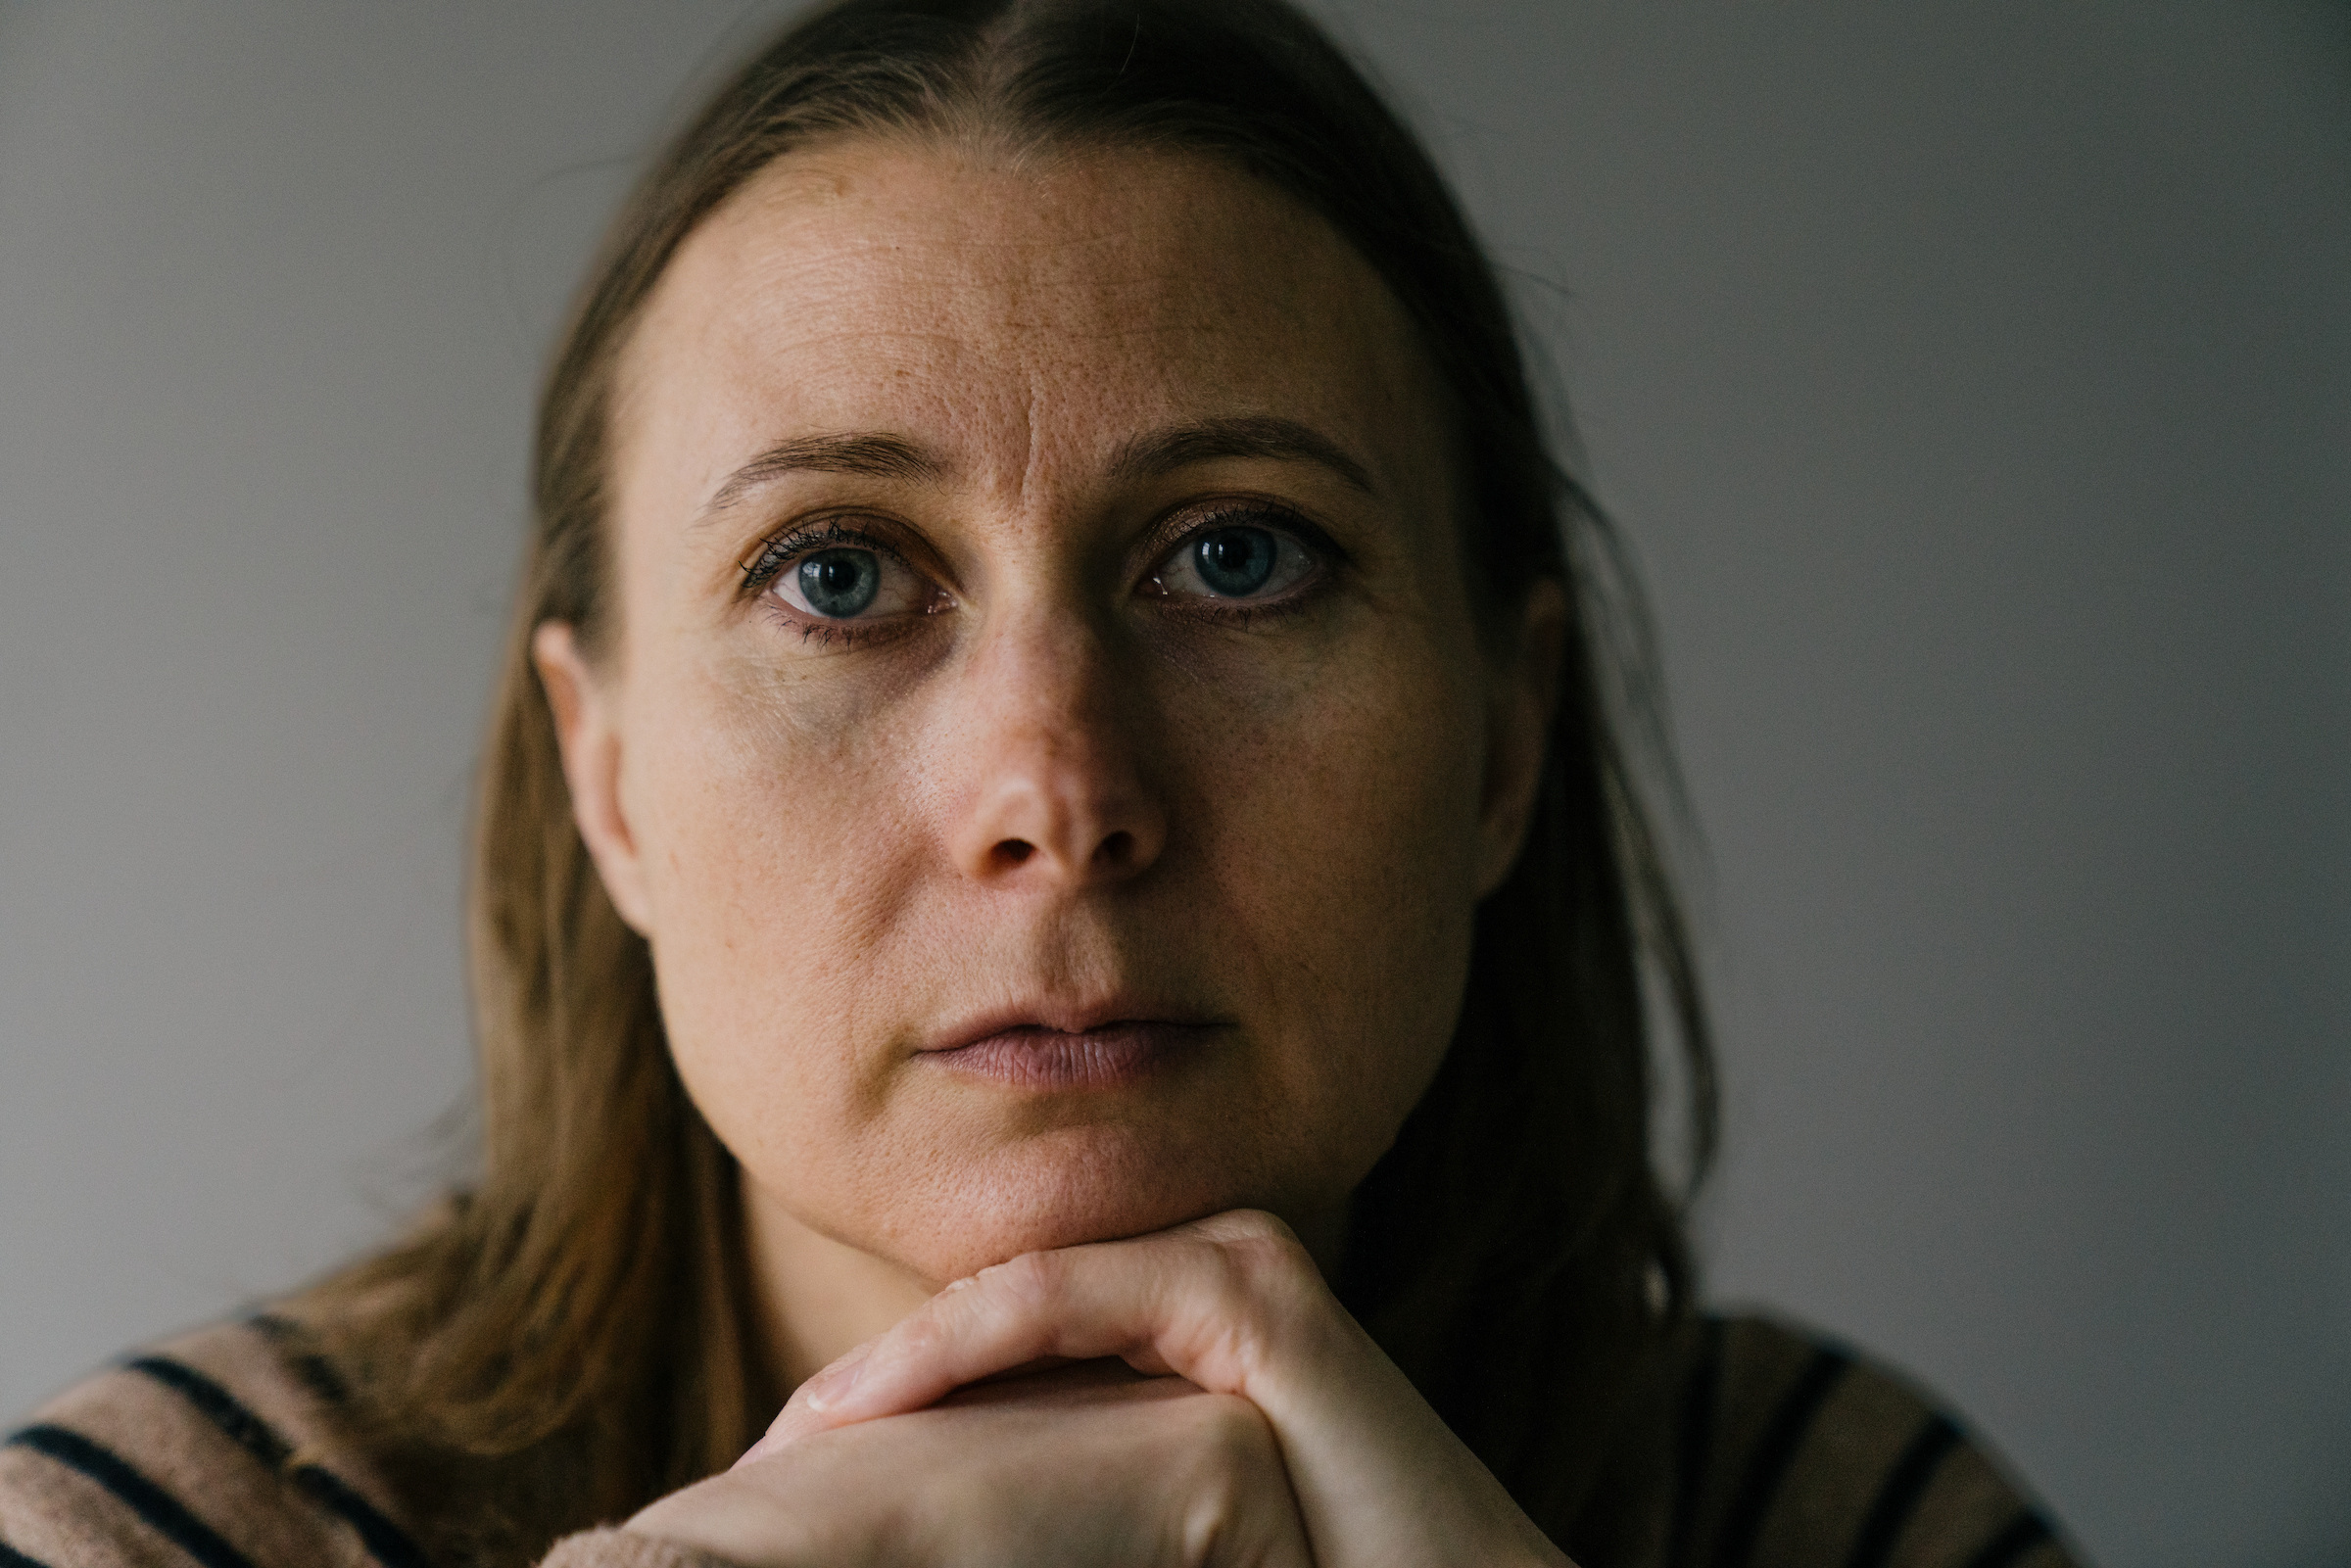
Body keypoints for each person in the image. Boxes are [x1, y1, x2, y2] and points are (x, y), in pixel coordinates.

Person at [0, 2, 2080, 1565]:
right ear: (605, 783)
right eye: (838, 575)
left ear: (1505, 744)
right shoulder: (161, 1535)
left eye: (1237, 557)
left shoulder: (1834, 1517)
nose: (1060, 792)